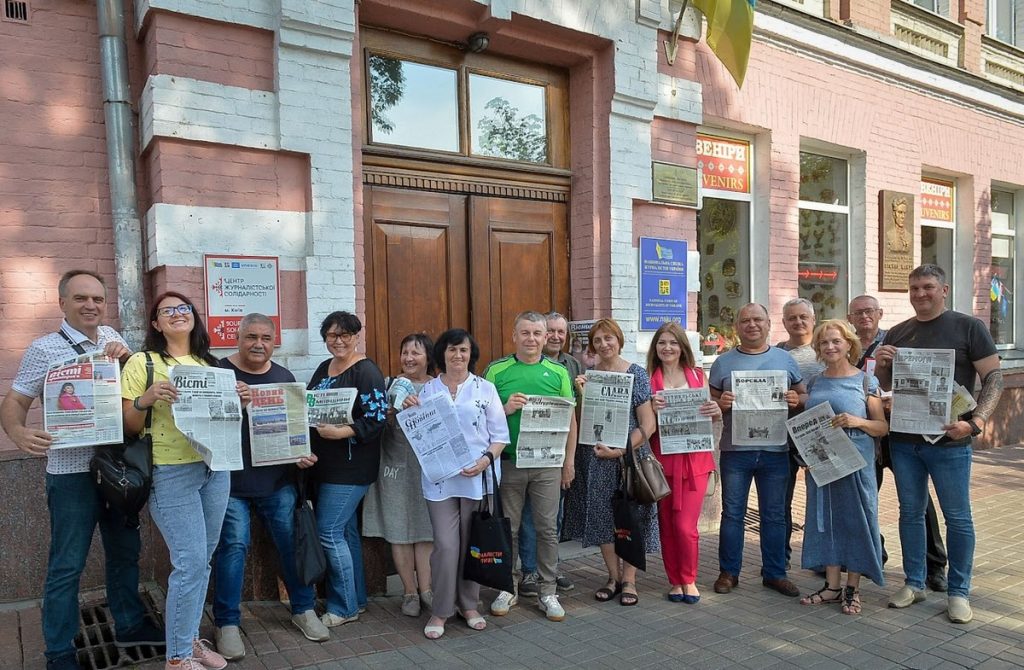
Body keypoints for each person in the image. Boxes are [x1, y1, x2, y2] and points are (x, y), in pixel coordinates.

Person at [1, 270, 163, 670]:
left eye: (96, 299)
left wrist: (125, 358)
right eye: (80, 299)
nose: (90, 305)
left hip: (118, 468)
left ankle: (129, 625)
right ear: (62, 304)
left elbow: (134, 389)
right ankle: (59, 650)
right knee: (67, 563)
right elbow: (16, 400)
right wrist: (19, 433)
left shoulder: (114, 338)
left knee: (126, 553)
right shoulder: (44, 349)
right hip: (70, 473)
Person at [121, 291, 247, 670]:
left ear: (193, 317)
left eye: (184, 308)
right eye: (167, 310)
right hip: (171, 472)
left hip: (215, 468)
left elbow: (221, 418)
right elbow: (126, 423)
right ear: (156, 323)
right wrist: (145, 399)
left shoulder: (211, 364)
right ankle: (176, 658)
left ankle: (188, 640)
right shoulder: (142, 362)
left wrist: (238, 399)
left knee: (202, 560)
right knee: (190, 562)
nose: (177, 314)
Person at [874, 265, 1003, 624]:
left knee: (958, 518)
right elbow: (889, 386)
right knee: (909, 514)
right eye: (914, 288)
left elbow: (994, 378)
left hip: (950, 441)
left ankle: (959, 591)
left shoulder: (968, 327)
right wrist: (883, 367)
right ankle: (914, 582)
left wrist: (975, 423)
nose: (920, 294)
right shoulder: (899, 332)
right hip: (905, 440)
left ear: (943, 289)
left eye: (928, 287)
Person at [211, 314, 328, 660]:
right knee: (233, 547)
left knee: (292, 544)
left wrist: (301, 455)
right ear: (238, 338)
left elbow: (294, 429)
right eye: (251, 337)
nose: (258, 344)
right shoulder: (219, 373)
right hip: (230, 483)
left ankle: (303, 609)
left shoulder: (284, 377)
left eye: (265, 337)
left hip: (277, 483)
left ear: (274, 341)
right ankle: (227, 623)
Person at [407, 328, 509, 639]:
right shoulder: (427, 391)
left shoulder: (485, 389)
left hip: (476, 478)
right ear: (442, 354)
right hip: (440, 481)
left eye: (463, 350)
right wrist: (410, 412)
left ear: (471, 354)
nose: (458, 355)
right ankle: (440, 610)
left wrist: (484, 461)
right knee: (446, 546)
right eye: (452, 350)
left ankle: (469, 605)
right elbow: (418, 435)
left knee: (470, 544)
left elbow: (500, 437)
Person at [848, 294, 948, 589]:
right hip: (862, 434)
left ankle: (934, 566)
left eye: (869, 311)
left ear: (879, 314)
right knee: (864, 497)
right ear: (850, 318)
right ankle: (872, 554)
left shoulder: (897, 341)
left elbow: (919, 381)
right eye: (858, 313)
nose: (864, 317)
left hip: (898, 433)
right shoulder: (845, 345)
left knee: (918, 499)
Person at [484, 311, 577, 622]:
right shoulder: (496, 371)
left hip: (548, 464)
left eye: (538, 333)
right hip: (509, 462)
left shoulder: (558, 372)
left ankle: (548, 590)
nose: (532, 339)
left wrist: (569, 461)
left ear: (546, 337)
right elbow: (479, 416)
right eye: (525, 333)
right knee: (507, 528)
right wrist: (505, 408)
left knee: (547, 529)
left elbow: (571, 421)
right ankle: (507, 587)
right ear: (514, 336)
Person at [709, 303, 805, 598]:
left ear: (768, 324)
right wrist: (720, 405)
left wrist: (795, 399)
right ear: (737, 327)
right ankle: (729, 572)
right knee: (733, 513)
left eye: (758, 320)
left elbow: (802, 394)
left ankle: (775, 573)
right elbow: (711, 404)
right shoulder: (722, 363)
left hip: (776, 450)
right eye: (745, 320)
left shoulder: (785, 359)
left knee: (775, 515)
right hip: (735, 451)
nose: (752, 325)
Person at [563, 318, 658, 607]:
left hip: (627, 459)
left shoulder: (637, 374)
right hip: (595, 460)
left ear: (619, 340)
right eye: (598, 340)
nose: (604, 344)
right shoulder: (588, 376)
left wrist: (622, 450)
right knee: (603, 518)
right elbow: (583, 421)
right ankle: (613, 576)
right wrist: (582, 394)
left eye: (609, 338)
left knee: (631, 519)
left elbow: (648, 425)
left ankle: (630, 579)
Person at [797, 320, 888, 615]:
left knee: (856, 522)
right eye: (824, 343)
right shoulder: (815, 382)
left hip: (856, 465)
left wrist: (857, 421)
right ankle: (832, 586)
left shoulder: (865, 382)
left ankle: (853, 587)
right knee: (827, 522)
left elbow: (882, 427)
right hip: (823, 464)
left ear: (849, 344)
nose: (830, 347)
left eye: (836, 341)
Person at [307, 311, 387, 628]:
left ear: (356, 336)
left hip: (352, 468)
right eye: (332, 335)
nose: (338, 341)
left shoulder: (366, 371)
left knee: (328, 531)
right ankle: (357, 598)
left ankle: (343, 607)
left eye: (345, 335)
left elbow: (377, 418)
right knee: (345, 531)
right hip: (325, 465)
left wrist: (344, 431)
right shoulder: (323, 368)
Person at [646, 321, 721, 604]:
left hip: (694, 462)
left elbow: (710, 414)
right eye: (662, 343)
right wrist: (650, 410)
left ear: (682, 347)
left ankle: (688, 578)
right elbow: (643, 423)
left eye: (673, 343)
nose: (667, 348)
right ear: (655, 347)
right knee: (666, 524)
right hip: (662, 460)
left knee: (685, 526)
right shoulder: (648, 378)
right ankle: (674, 580)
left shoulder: (697, 376)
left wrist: (714, 410)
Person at [362, 333, 436, 617]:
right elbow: (375, 423)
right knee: (399, 532)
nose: (408, 358)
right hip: (393, 467)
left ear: (428, 357)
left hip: (427, 469)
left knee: (425, 529)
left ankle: (427, 589)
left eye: (416, 353)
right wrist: (392, 410)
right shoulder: (388, 385)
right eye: (405, 352)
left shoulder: (437, 387)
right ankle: (409, 592)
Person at [777, 298, 825, 569]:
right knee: (781, 501)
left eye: (803, 317)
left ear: (813, 319)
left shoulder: (826, 350)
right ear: (783, 323)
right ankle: (780, 560)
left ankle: (822, 560)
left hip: (818, 433)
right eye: (792, 318)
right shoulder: (775, 354)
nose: (798, 322)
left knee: (821, 499)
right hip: (782, 436)